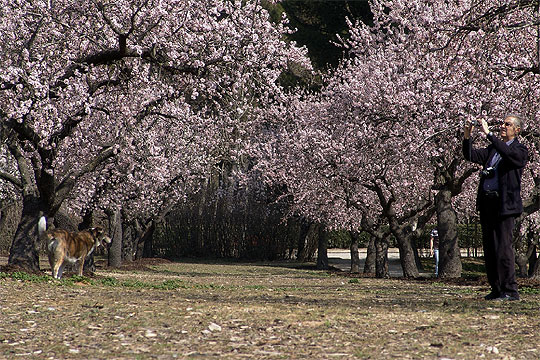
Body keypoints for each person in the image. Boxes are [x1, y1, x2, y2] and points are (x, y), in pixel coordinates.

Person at [463, 115, 528, 301]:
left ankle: (510, 291)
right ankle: (496, 288)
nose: (503, 126)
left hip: (504, 205)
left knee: (503, 248)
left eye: (507, 124)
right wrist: (467, 136)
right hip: (487, 203)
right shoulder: (493, 150)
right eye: (502, 123)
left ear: (517, 130)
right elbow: (470, 156)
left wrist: (489, 134)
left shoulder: (519, 150)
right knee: (490, 248)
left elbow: (509, 156)